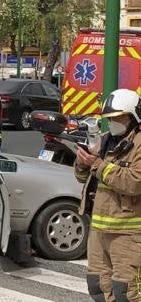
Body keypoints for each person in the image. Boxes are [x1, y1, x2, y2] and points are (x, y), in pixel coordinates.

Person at [75, 88, 141, 302]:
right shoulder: (105, 140)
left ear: (133, 116)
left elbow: (134, 182)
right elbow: (82, 178)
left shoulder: (138, 144)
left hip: (127, 231)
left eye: (117, 118)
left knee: (126, 291)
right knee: (98, 286)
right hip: (99, 228)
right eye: (109, 119)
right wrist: (82, 164)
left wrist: (97, 164)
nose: (112, 123)